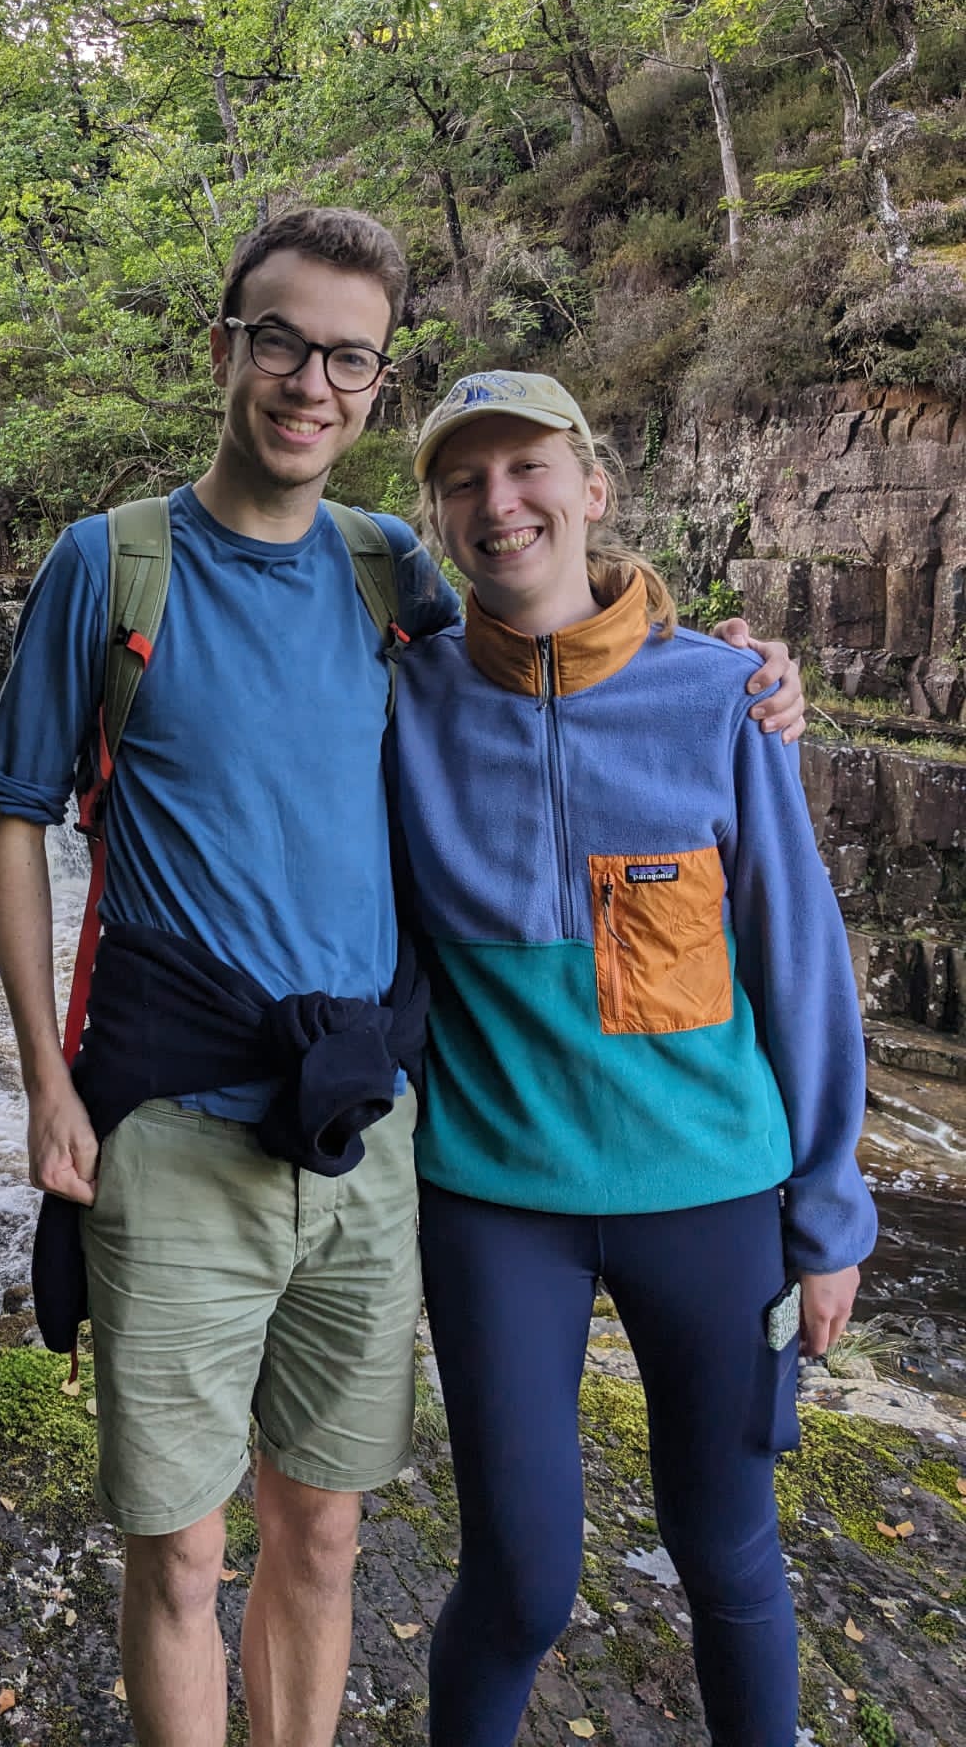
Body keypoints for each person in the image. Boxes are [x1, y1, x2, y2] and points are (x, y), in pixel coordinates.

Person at [0, 212, 805, 1747]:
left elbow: (551, 647)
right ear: (224, 351)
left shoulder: (389, 573)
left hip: (366, 1136)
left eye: (348, 358)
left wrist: (723, 667)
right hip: (171, 1127)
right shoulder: (112, 567)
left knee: (324, 1533)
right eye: (282, 343)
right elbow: (18, 813)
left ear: (373, 387)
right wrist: (44, 1084)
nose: (311, 382)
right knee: (181, 1553)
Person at [394, 370, 875, 1747]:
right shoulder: (404, 698)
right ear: (439, 518)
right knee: (520, 1582)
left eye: (527, 468)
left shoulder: (725, 696)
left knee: (730, 1554)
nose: (500, 502)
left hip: (716, 1193)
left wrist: (829, 1213)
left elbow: (798, 961)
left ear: (593, 489)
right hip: (495, 1201)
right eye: (465, 481)